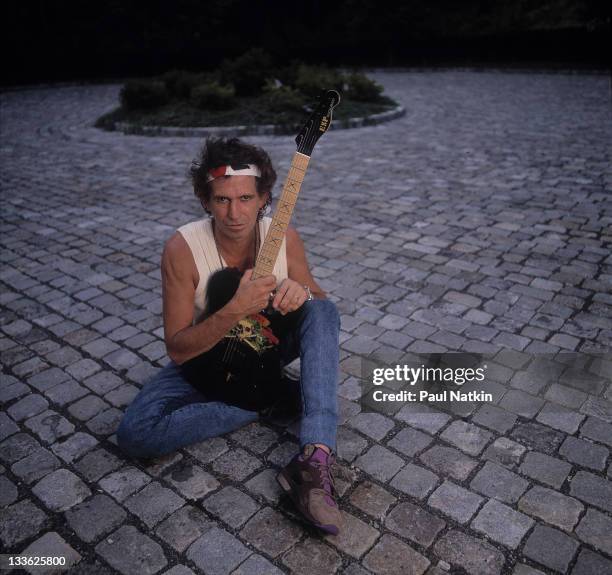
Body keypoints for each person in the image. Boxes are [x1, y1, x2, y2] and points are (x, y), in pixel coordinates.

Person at [117, 137, 342, 535]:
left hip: (267, 346)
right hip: (206, 360)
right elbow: (178, 349)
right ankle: (266, 401)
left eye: (244, 198)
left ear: (263, 198)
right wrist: (234, 309)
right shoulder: (181, 249)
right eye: (222, 200)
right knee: (135, 434)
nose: (234, 212)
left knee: (323, 311)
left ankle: (314, 456)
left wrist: (301, 292)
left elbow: (319, 301)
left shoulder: (283, 237)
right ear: (206, 200)